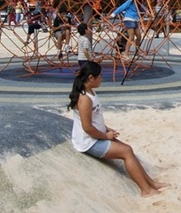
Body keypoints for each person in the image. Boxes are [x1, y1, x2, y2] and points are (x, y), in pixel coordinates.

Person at [68, 61, 164, 197]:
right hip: (88, 142)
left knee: (128, 148)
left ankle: (151, 183)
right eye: (100, 76)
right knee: (126, 152)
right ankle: (145, 190)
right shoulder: (84, 98)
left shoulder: (91, 93)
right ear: (91, 78)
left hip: (97, 136)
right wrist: (105, 136)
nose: (102, 79)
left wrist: (106, 129)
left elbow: (95, 119)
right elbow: (87, 127)